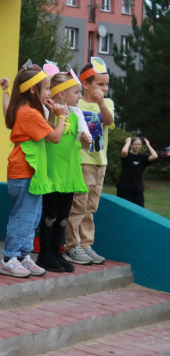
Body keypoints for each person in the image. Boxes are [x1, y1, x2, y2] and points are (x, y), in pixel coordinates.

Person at [0, 62, 65, 279]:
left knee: (33, 216)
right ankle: (9, 257)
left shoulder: (27, 111)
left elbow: (46, 129)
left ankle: (23, 255)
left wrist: (52, 114)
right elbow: (55, 137)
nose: (49, 92)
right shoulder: (29, 113)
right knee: (24, 216)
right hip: (24, 172)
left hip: (29, 173)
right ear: (32, 90)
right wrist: (62, 115)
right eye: (46, 88)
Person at [35, 70, 92, 273]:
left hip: (69, 172)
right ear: (61, 94)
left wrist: (86, 141)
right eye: (76, 92)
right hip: (52, 172)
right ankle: (45, 254)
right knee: (49, 215)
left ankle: (57, 253)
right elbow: (46, 133)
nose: (79, 96)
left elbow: (84, 141)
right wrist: (54, 114)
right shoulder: (46, 110)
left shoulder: (76, 114)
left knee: (63, 216)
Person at [65, 57, 114, 265]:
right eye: (100, 84)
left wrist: (101, 101)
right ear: (85, 84)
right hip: (82, 160)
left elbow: (109, 121)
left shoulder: (107, 103)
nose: (104, 89)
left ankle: (86, 244)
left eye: (106, 85)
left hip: (99, 162)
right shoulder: (77, 103)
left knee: (91, 207)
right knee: (78, 204)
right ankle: (72, 245)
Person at [117, 137, 158, 206]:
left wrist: (148, 145)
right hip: (124, 189)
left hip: (138, 189)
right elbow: (124, 151)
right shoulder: (127, 156)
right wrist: (127, 142)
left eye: (139, 144)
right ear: (131, 145)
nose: (137, 146)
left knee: (139, 210)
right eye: (135, 144)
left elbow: (155, 156)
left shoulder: (142, 158)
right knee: (123, 210)